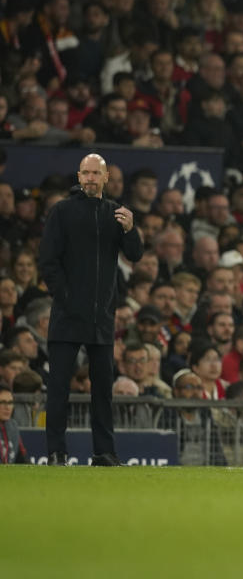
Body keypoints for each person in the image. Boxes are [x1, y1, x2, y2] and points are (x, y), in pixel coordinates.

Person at [38, 153, 143, 466]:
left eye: (96, 173)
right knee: (58, 389)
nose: (90, 179)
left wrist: (131, 229)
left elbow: (134, 255)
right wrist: (66, 297)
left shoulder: (117, 215)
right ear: (78, 175)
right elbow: (48, 261)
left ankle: (104, 452)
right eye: (85, 173)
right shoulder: (62, 211)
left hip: (101, 318)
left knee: (103, 393)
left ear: (106, 177)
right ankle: (56, 452)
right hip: (68, 315)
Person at [0, 383, 27, 464]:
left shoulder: (13, 426)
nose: (7, 407)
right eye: (2, 402)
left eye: (10, 403)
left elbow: (22, 458)